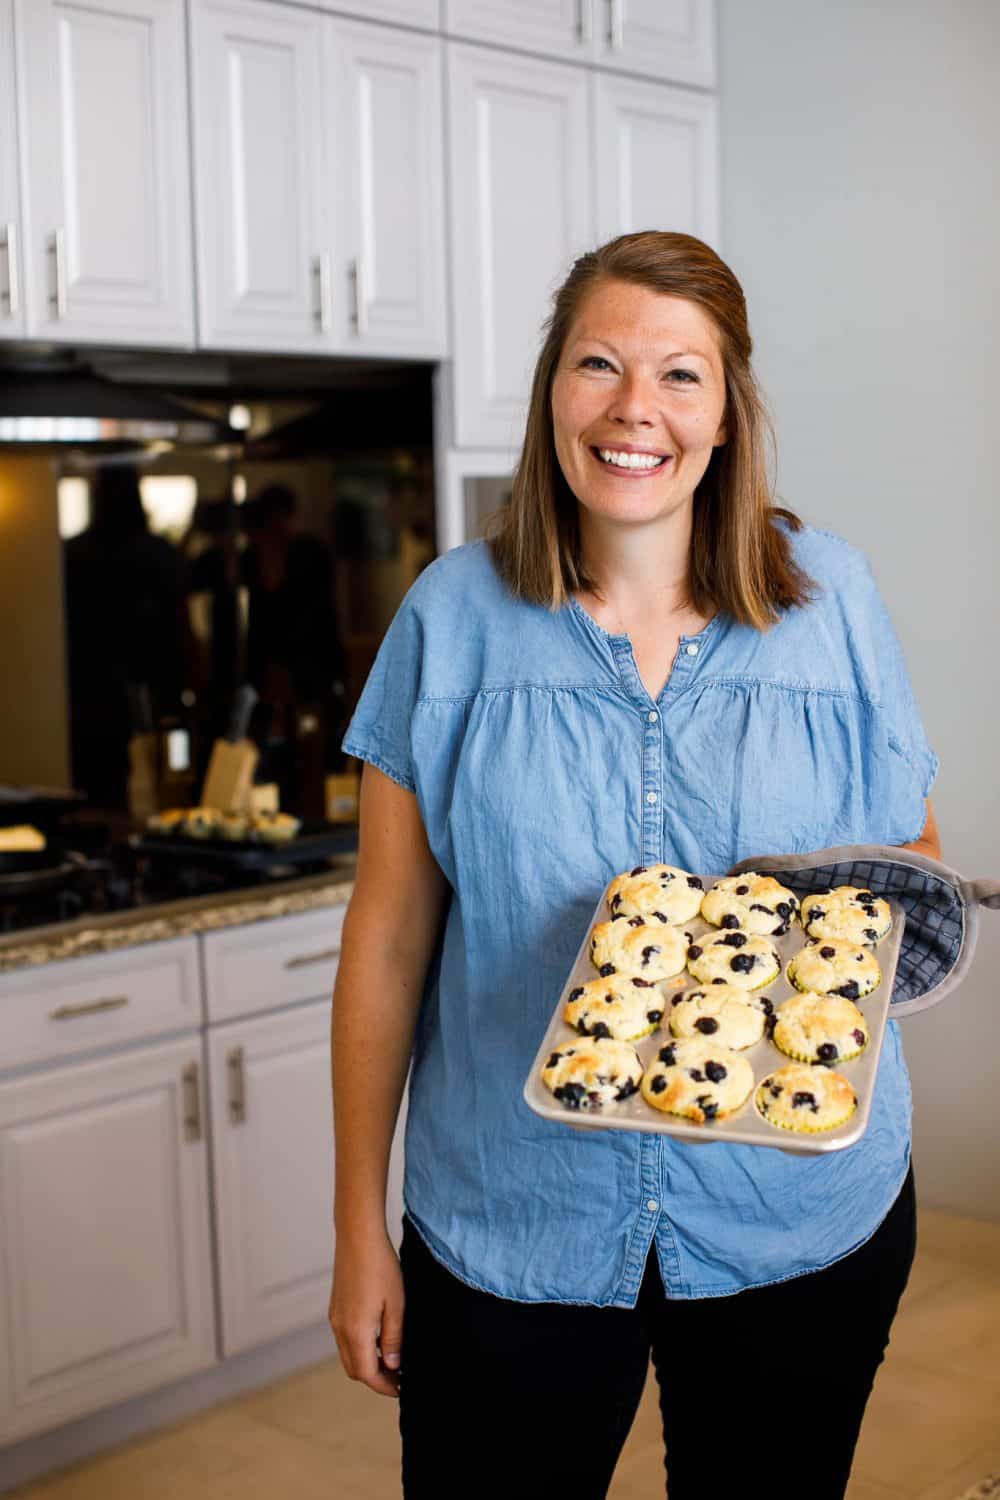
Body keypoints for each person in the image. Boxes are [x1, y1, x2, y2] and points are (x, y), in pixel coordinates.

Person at [328, 231, 942, 1499]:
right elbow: (386, 942)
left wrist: (807, 940)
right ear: (554, 389)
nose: (632, 410)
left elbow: (911, 864)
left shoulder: (837, 599)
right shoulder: (449, 619)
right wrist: (354, 1230)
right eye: (598, 364)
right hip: (512, 1224)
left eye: (679, 375)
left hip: (791, 1219)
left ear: (725, 414)